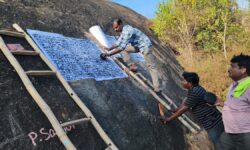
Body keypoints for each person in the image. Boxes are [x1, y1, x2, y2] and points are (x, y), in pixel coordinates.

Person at [160, 72, 224, 149]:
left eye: (184, 81)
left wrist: (168, 119)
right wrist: (176, 110)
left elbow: (183, 109)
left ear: (190, 83)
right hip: (215, 120)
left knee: (220, 145)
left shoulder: (195, 92)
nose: (182, 82)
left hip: (213, 123)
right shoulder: (195, 88)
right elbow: (186, 103)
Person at [101, 19, 161, 93]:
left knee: (151, 66)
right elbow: (118, 42)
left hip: (145, 46)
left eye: (116, 27)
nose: (115, 30)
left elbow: (121, 47)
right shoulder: (123, 31)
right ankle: (132, 66)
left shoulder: (127, 31)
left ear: (120, 24)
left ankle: (157, 87)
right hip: (138, 46)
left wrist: (109, 54)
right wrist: (109, 48)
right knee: (125, 50)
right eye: (114, 28)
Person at [218, 54, 250, 150]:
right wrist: (222, 103)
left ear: (243, 70)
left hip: (245, 134)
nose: (229, 69)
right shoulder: (233, 85)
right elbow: (237, 105)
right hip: (229, 132)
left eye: (232, 66)